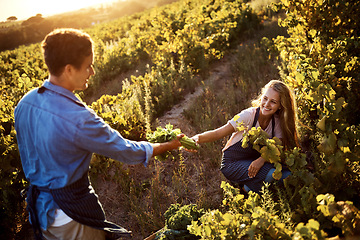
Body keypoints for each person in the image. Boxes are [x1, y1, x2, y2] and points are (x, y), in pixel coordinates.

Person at [14, 28, 184, 240]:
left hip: (40, 213)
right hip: (70, 215)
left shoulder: (25, 103)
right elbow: (126, 151)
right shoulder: (78, 118)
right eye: (88, 66)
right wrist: (167, 145)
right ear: (68, 69)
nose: (92, 72)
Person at [192, 80, 300, 193]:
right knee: (271, 175)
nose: (267, 104)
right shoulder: (248, 116)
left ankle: (250, 185)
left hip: (254, 161)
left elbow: (278, 146)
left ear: (280, 106)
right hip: (232, 163)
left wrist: (261, 160)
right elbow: (218, 133)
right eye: (265, 98)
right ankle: (245, 189)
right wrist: (197, 138)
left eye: (273, 101)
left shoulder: (276, 122)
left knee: (288, 175)